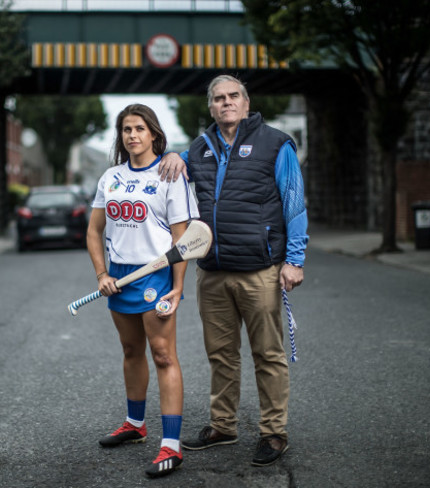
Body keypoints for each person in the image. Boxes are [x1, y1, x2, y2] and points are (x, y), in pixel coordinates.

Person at [158, 75, 308, 467]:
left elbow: (294, 201)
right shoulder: (198, 148)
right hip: (212, 271)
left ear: (246, 102)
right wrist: (173, 154)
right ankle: (223, 425)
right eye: (218, 99)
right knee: (220, 354)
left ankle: (274, 432)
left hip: (260, 270)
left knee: (268, 354)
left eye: (233, 96)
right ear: (210, 107)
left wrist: (294, 259)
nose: (226, 103)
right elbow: (176, 188)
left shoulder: (275, 143)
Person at [87, 103, 200, 478]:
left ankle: (171, 445)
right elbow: (94, 231)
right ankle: (135, 424)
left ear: (153, 133)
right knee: (131, 349)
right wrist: (101, 273)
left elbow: (181, 238)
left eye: (139, 128)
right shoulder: (111, 177)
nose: (132, 135)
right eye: (125, 129)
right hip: (119, 277)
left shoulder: (170, 175)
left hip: (155, 276)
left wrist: (178, 287)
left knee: (164, 354)